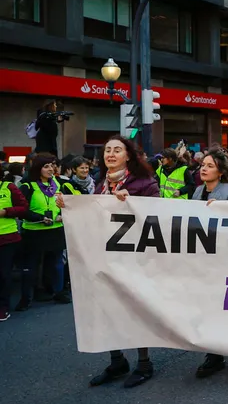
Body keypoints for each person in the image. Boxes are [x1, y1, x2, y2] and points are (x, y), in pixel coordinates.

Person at [74, 135, 162, 388]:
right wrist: (69, 206)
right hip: (103, 258)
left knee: (134, 309)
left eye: (117, 150)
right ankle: (117, 361)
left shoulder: (144, 183)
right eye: (107, 151)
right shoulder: (100, 184)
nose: (110, 154)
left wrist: (131, 204)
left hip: (134, 258)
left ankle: (144, 363)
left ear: (128, 156)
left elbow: (157, 217)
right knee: (108, 309)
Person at [190, 147, 228, 378]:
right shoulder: (197, 192)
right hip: (204, 261)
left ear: (221, 171)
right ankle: (214, 354)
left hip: (226, 261)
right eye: (203, 164)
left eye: (210, 165)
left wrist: (220, 213)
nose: (204, 168)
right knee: (209, 307)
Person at [17, 154, 71, 310]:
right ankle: (26, 297)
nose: (50, 169)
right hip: (34, 231)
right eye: (46, 166)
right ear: (37, 168)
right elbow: (21, 210)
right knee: (31, 266)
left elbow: (67, 202)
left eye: (52, 166)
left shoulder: (58, 183)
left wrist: (63, 213)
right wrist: (39, 217)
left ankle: (58, 292)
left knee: (56, 264)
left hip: (55, 230)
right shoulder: (27, 185)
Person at [0, 178, 29, 322]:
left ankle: (3, 307)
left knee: (4, 274)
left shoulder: (8, 187)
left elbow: (23, 207)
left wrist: (6, 211)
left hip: (7, 238)